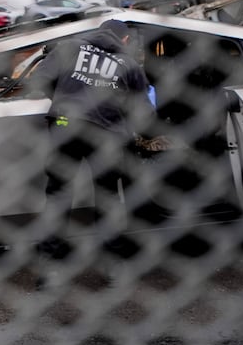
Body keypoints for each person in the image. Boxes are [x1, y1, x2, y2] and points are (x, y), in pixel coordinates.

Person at [37, 18, 156, 261]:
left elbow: (38, 80)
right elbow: (144, 112)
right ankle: (113, 263)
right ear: (124, 40)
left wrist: (63, 97)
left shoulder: (69, 47)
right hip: (105, 133)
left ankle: (50, 264)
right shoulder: (127, 63)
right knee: (106, 196)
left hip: (64, 124)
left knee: (59, 194)